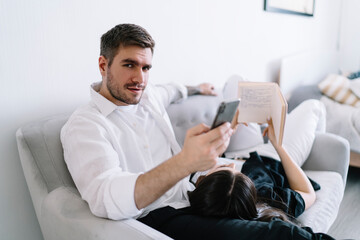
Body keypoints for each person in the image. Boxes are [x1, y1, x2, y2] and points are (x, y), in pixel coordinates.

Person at [61, 23, 335, 239]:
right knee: (278, 232)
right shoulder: (85, 125)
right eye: (129, 65)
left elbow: (172, 89)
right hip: (159, 216)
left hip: (194, 193)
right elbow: (107, 199)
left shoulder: (148, 96)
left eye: (146, 67)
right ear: (103, 65)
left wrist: (197, 89)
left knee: (270, 214)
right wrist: (184, 163)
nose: (140, 78)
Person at [188, 118, 317, 224]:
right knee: (313, 106)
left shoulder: (197, 182)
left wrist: (229, 130)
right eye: (224, 167)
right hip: (272, 155)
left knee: (238, 96)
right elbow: (308, 193)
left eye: (224, 169)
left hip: (236, 151)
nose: (232, 165)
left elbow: (215, 158)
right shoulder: (266, 198)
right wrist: (278, 145)